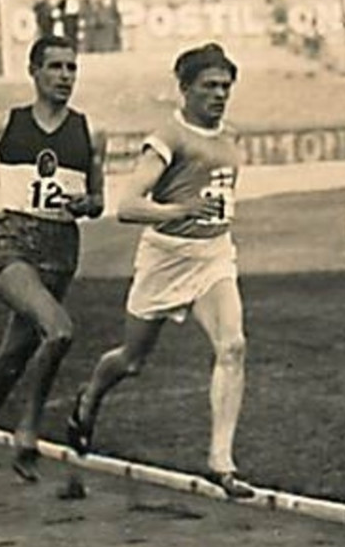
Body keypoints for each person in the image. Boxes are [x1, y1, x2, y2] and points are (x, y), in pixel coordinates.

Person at [68, 44, 257, 502]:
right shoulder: (166, 138)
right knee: (130, 361)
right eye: (209, 86)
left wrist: (210, 218)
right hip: (164, 257)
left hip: (213, 256)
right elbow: (127, 206)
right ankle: (90, 396)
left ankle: (221, 462)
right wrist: (181, 209)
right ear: (186, 88)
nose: (219, 95)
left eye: (226, 86)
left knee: (233, 346)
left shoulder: (232, 137)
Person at [0, 35, 106, 503]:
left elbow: (100, 201)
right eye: (55, 67)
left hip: (60, 251)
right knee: (59, 331)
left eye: (71, 68)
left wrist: (88, 203)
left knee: (12, 357)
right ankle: (29, 428)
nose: (64, 77)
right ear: (34, 71)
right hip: (10, 243)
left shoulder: (90, 133)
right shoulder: (4, 124)